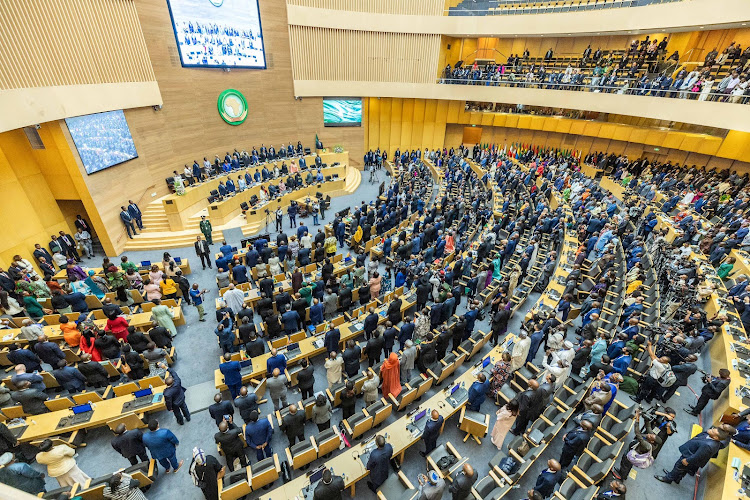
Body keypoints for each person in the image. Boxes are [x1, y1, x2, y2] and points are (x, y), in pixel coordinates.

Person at [655, 426, 729, 484]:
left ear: (716, 437)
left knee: (678, 467)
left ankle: (668, 478)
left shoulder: (709, 445)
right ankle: (676, 478)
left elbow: (699, 455)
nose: (711, 429)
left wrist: (688, 460)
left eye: (713, 431)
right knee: (682, 470)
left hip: (690, 457)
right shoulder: (711, 438)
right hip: (691, 453)